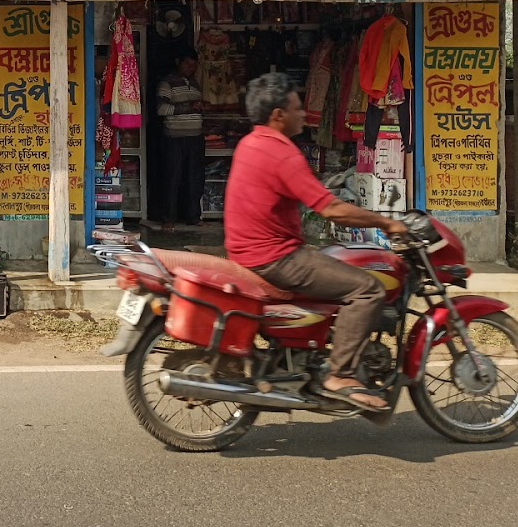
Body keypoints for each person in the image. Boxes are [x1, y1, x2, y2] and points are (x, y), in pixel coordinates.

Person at [224, 72, 408, 411]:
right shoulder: (282, 153)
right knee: (367, 289)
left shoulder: (251, 143)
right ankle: (340, 374)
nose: (303, 115)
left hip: (252, 252)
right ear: (278, 115)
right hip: (276, 258)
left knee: (336, 268)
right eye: (296, 109)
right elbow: (332, 209)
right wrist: (387, 222)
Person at [155, 56, 205, 228]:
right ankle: (168, 219)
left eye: (194, 65)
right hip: (175, 138)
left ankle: (194, 217)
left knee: (195, 179)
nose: (191, 68)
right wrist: (190, 107)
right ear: (179, 62)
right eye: (187, 63)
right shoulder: (167, 83)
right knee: (172, 178)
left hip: (195, 138)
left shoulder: (197, 84)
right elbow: (161, 109)